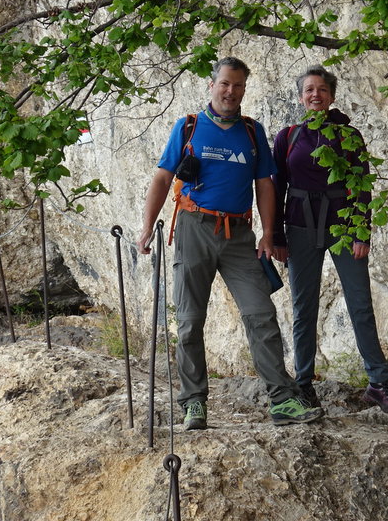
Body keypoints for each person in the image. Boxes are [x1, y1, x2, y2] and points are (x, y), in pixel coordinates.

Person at [137, 56, 323, 430]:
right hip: (193, 228)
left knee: (261, 315)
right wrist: (146, 226)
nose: (231, 91)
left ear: (244, 89)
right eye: (224, 83)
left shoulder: (252, 132)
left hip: (239, 236)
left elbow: (265, 185)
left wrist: (268, 235)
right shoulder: (188, 127)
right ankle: (194, 404)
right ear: (212, 85)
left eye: (238, 85)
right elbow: (162, 177)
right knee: (189, 322)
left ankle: (283, 401)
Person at [271, 65, 388, 414]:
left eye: (322, 90)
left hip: (345, 228)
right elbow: (276, 188)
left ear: (331, 96)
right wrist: (275, 234)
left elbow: (361, 185)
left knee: (360, 305)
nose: (315, 95)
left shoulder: (350, 136)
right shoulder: (287, 137)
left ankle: (379, 383)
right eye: (309, 90)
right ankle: (303, 384)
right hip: (299, 225)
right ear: (301, 97)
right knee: (304, 309)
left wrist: (363, 232)